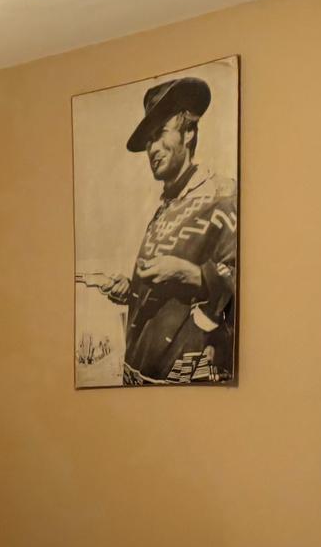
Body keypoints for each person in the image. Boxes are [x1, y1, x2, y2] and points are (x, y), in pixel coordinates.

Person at [75, 76, 238, 384]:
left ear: (188, 132)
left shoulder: (223, 197)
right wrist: (129, 288)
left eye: (161, 134)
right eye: (148, 139)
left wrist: (189, 273)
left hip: (192, 379)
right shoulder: (166, 206)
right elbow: (162, 294)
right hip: (140, 377)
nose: (153, 149)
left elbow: (241, 282)